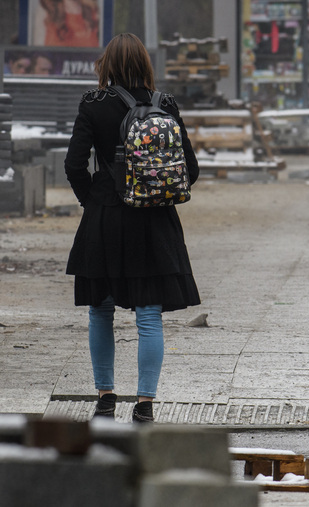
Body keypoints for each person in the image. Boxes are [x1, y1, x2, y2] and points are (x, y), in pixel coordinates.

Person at [64, 33, 201, 422]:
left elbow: (74, 165)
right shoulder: (166, 104)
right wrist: (158, 192)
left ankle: (105, 398)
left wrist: (93, 200)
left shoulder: (93, 104)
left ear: (106, 65)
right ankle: (145, 406)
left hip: (105, 217)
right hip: (154, 223)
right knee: (148, 315)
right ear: (145, 64)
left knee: (100, 310)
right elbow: (190, 170)